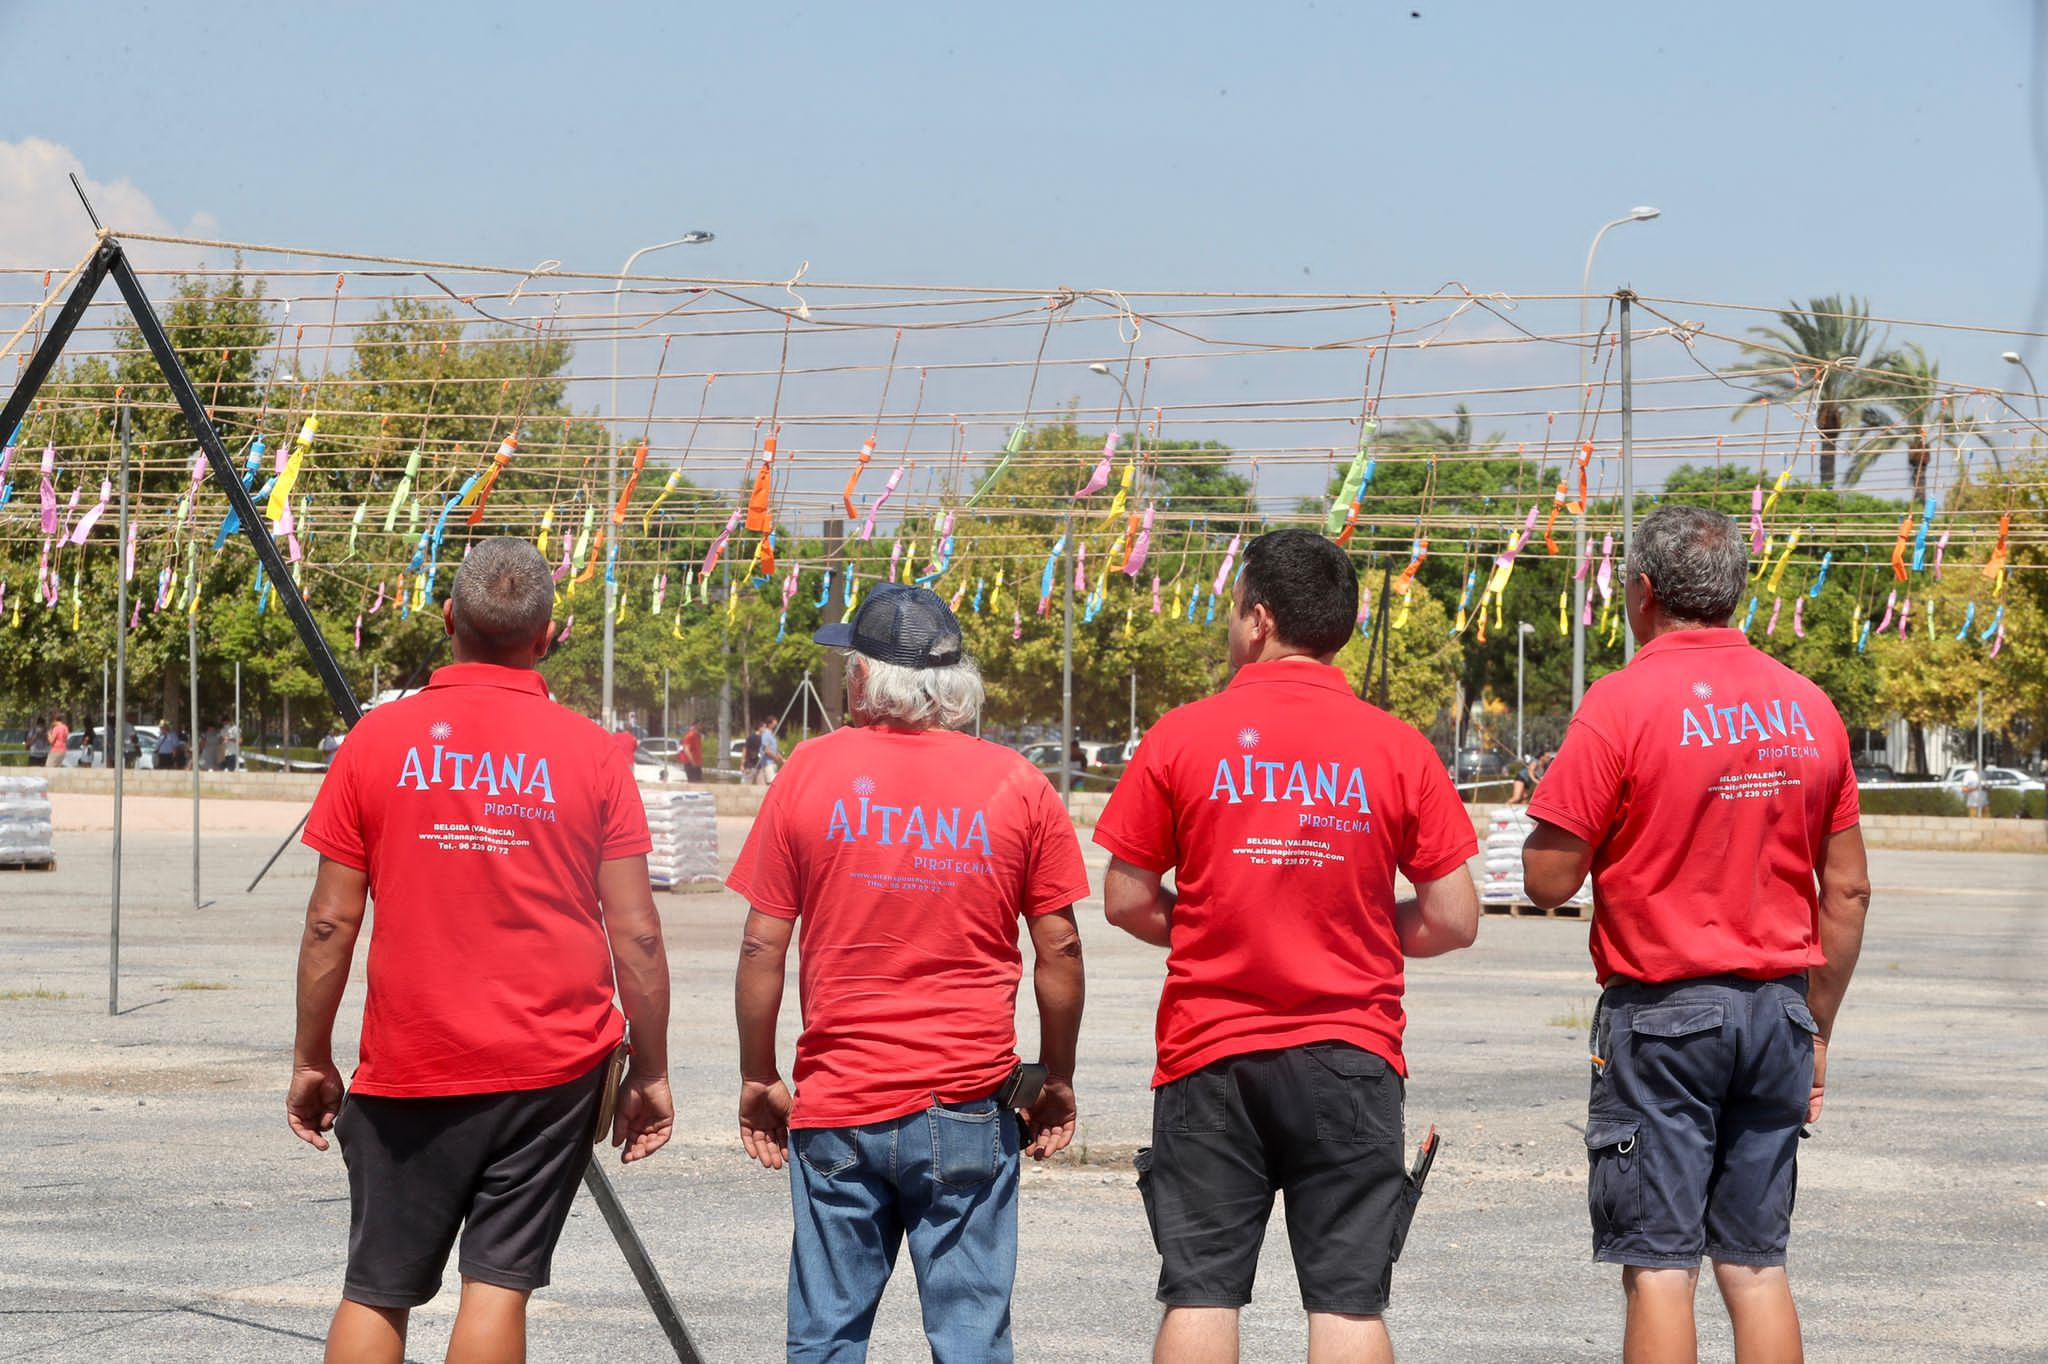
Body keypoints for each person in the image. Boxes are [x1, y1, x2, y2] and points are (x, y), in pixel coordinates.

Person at [1094, 528, 1481, 1364]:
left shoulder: (1181, 736)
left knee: (1200, 1290)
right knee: (1346, 1302)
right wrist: (1370, 928)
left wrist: (1208, 923)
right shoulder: (1398, 748)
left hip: (1209, 1054)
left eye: (1235, 610)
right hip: (1350, 1053)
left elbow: (1124, 899)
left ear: (1258, 620)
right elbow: (1454, 917)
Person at [287, 537, 675, 1364]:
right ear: (548, 635)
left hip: (411, 1056)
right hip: (551, 1064)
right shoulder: (594, 754)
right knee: (498, 1283)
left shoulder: (376, 742)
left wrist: (311, 1056)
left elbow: (330, 923)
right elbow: (636, 929)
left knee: (376, 1285)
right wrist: (649, 1067)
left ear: (449, 620)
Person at [1521, 505, 1871, 1364]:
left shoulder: (1622, 703)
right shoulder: (1809, 707)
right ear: (1736, 592)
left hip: (1664, 1017)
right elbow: (1851, 888)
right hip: (1779, 1012)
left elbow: (1547, 879)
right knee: (1756, 1266)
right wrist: (1815, 1022)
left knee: (1659, 1263)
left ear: (1642, 594)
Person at [728, 583, 1089, 1363]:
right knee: (969, 1340)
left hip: (839, 1102)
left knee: (825, 1337)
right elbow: (1058, 948)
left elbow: (763, 946)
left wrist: (758, 1077)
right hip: (965, 1100)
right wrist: (1055, 1075)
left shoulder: (809, 771)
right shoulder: (1018, 784)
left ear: (863, 678)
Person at [755, 717, 781, 785]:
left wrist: (781, 759)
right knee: (772, 783)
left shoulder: (772, 735)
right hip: (768, 763)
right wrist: (775, 757)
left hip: (773, 763)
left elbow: (775, 749)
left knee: (775, 781)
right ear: (770, 724)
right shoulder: (766, 734)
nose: (776, 726)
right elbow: (766, 750)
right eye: (774, 724)